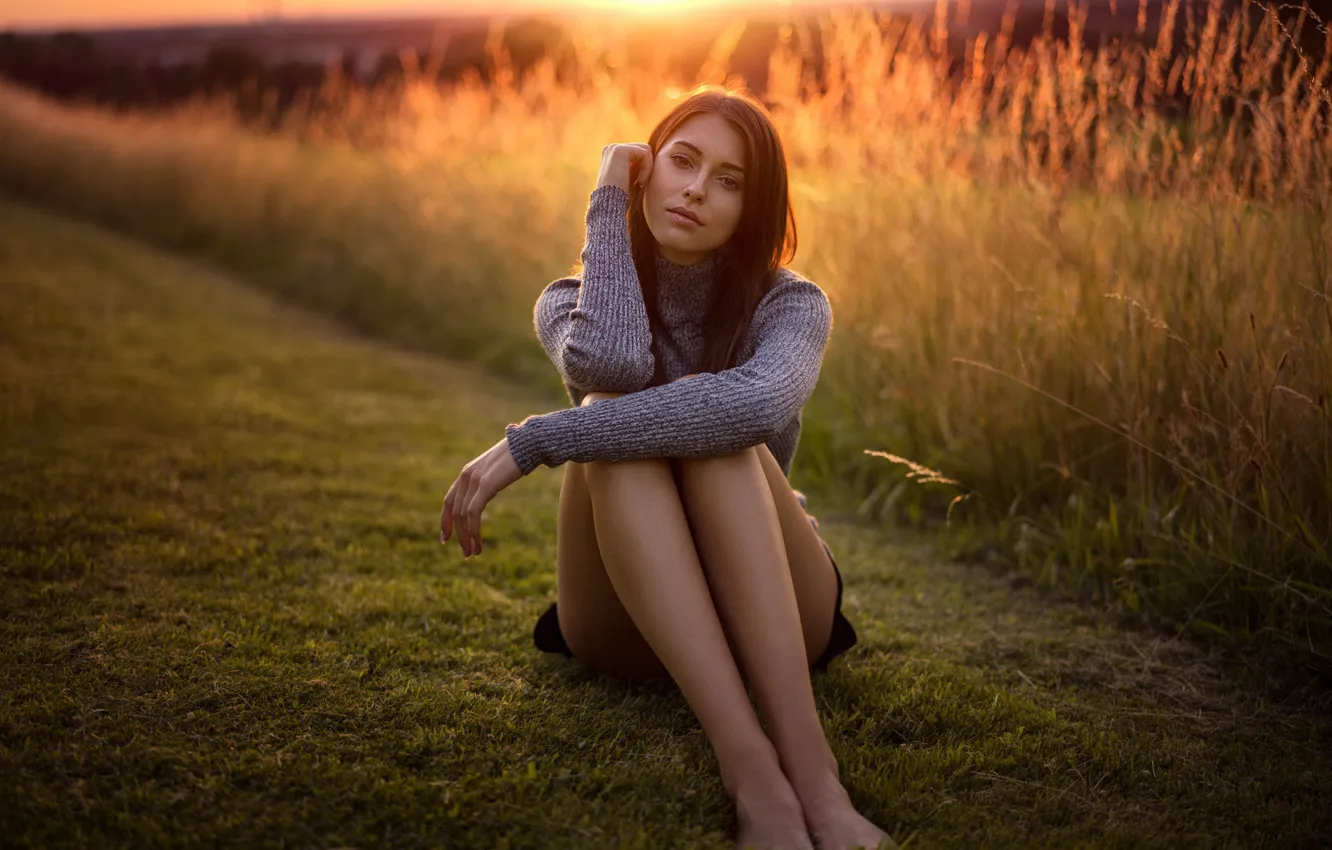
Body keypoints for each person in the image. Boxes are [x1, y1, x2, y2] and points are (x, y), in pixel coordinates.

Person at [440, 86, 894, 850]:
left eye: (730, 180)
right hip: (626, 621)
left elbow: (750, 410)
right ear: (646, 173)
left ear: (754, 208)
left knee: (707, 426)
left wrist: (532, 441)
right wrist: (608, 199)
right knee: (608, 417)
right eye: (681, 161)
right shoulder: (569, 301)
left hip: (779, 610)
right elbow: (609, 361)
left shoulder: (793, 305)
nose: (696, 189)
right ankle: (752, 777)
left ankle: (816, 779)